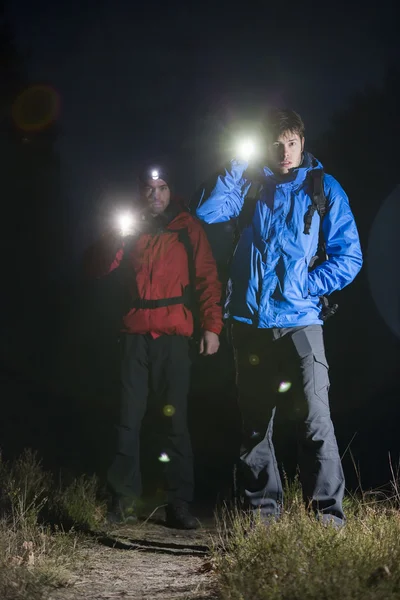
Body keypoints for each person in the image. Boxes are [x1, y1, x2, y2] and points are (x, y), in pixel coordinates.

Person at [193, 109, 363, 526]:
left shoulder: (324, 189)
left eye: (291, 142)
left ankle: (328, 523)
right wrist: (235, 161)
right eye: (275, 143)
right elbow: (208, 212)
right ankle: (261, 521)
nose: (284, 151)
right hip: (249, 325)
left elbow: (349, 256)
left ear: (302, 143)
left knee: (315, 422)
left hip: (301, 323)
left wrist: (307, 285)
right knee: (254, 429)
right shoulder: (250, 187)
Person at [85, 165, 222, 528]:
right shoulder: (129, 227)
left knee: (175, 422)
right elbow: (98, 266)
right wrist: (116, 233)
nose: (155, 195)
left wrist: (212, 327)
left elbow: (208, 279)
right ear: (140, 191)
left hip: (174, 338)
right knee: (127, 420)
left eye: (161, 188)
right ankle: (122, 501)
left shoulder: (187, 227)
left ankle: (178, 504)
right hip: (134, 335)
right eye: (149, 188)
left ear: (170, 190)